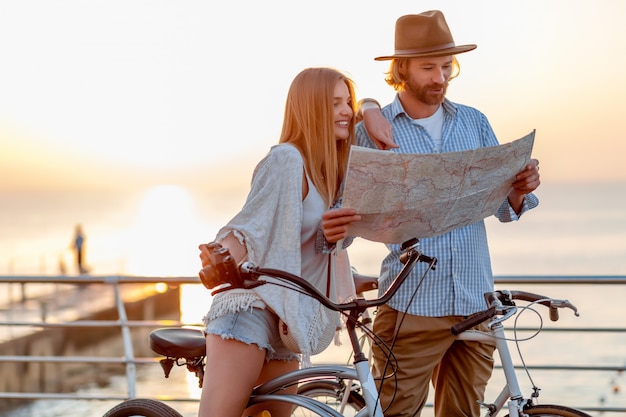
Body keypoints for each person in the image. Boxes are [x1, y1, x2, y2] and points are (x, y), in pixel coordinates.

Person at [355, 10, 542, 417]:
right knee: (392, 413)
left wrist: (518, 190)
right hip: (411, 305)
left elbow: (504, 209)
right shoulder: (372, 128)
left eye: (446, 66)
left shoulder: (474, 122)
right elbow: (346, 206)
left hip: (477, 301)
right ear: (401, 69)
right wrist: (363, 107)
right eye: (428, 68)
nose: (439, 77)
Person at [197, 67, 364, 417]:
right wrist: (222, 254)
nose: (347, 111)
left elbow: (308, 249)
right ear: (310, 109)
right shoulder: (287, 159)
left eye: (348, 102)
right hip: (251, 313)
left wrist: (346, 267)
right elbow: (251, 224)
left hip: (287, 322)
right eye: (335, 103)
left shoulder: (328, 172)